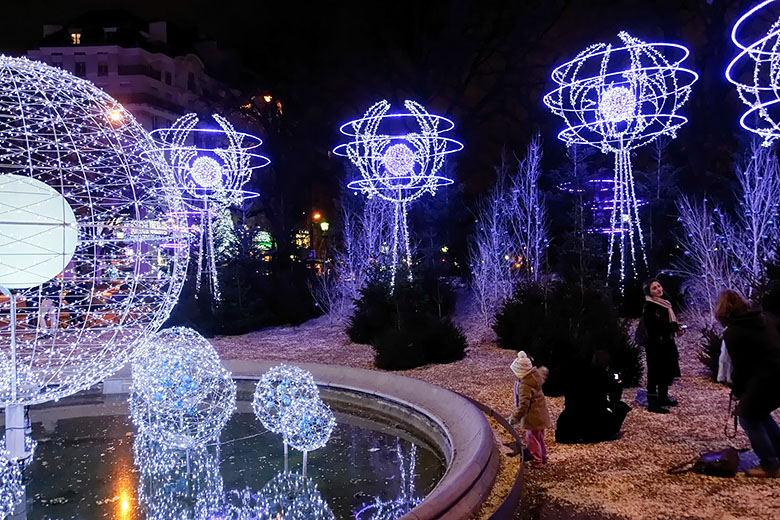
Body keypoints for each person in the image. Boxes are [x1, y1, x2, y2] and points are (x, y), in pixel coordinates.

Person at [715, 290, 780, 478]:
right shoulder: (766, 318)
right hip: (774, 374)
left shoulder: (734, 333)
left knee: (748, 417)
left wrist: (738, 391)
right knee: (759, 414)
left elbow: (741, 367)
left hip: (767, 378)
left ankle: (770, 465)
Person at [556, 350, 631, 443]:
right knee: (620, 409)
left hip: (569, 424)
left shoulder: (576, 376)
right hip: (595, 422)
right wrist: (617, 384)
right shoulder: (603, 377)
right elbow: (615, 398)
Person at [642, 278, 682, 413]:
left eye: (659, 286)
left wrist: (675, 328)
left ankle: (663, 397)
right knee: (655, 373)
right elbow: (654, 328)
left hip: (666, 343)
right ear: (649, 292)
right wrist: (672, 327)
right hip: (655, 345)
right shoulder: (649, 306)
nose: (658, 289)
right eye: (654, 288)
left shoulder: (665, 304)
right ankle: (652, 403)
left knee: (666, 371)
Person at [508, 351, 552, 469]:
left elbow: (523, 405)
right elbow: (542, 372)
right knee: (539, 437)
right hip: (541, 415)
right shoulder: (534, 378)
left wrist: (514, 418)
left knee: (532, 439)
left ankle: (536, 461)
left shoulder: (525, 386)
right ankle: (543, 457)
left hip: (532, 417)